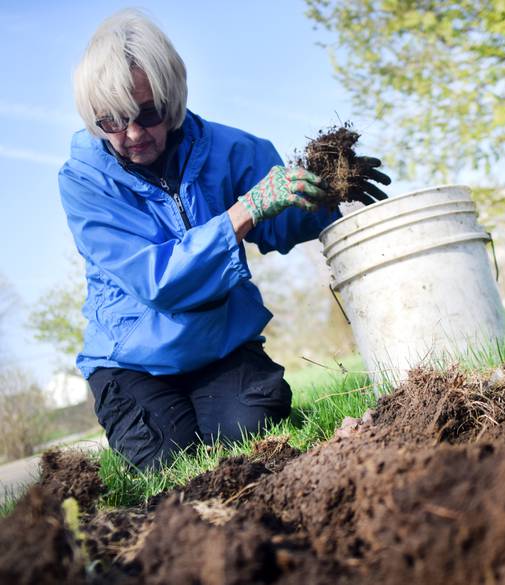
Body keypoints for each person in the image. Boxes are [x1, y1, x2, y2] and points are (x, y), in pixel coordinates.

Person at [59, 9, 390, 469]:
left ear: (171, 98)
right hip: (132, 364)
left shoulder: (233, 150)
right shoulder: (84, 181)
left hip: (221, 346)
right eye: (112, 122)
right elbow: (156, 280)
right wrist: (244, 210)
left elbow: (277, 226)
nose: (133, 134)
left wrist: (320, 196)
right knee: (168, 461)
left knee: (250, 436)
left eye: (147, 113)